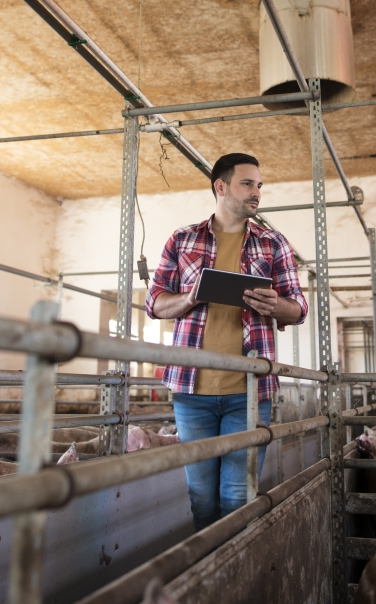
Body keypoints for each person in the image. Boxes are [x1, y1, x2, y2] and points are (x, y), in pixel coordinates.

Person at [146, 152, 308, 530]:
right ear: (221, 187)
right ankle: (209, 576)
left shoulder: (273, 242)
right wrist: (189, 297)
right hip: (192, 389)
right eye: (247, 184)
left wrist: (276, 304)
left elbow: (298, 308)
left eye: (259, 185)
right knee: (201, 498)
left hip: (249, 391)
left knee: (237, 498)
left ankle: (233, 574)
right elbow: (155, 302)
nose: (257, 193)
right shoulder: (182, 239)